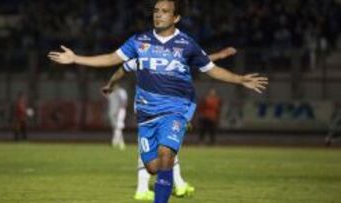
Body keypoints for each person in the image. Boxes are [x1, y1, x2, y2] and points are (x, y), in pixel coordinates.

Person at [48, 0, 268, 202]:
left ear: (176, 18)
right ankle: (166, 183)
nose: (159, 15)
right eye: (156, 11)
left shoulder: (186, 43)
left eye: (165, 12)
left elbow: (211, 69)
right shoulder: (139, 40)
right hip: (146, 114)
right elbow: (112, 59)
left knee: (166, 155)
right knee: (153, 166)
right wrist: (76, 58)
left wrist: (239, 79)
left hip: (176, 109)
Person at [102, 46, 238, 201]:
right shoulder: (143, 58)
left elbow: (197, 61)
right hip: (149, 111)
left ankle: (168, 185)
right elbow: (122, 69)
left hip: (165, 111)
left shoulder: (161, 58)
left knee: (166, 149)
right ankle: (161, 186)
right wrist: (110, 85)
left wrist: (219, 54)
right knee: (158, 153)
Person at [103, 84, 128, 150]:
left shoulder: (121, 91)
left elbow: (124, 101)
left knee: (118, 126)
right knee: (116, 127)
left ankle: (115, 142)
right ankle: (120, 143)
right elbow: (105, 94)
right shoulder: (112, 93)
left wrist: (119, 110)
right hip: (112, 111)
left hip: (120, 110)